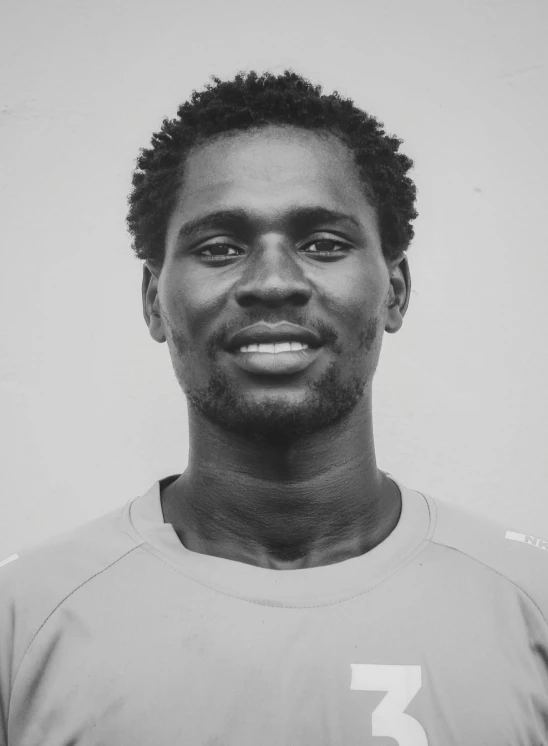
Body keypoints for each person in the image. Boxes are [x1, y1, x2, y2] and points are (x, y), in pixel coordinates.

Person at [0, 70, 546, 746]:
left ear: (395, 291)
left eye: (323, 243)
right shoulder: (21, 619)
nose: (274, 282)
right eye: (219, 248)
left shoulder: (531, 603)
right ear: (153, 301)